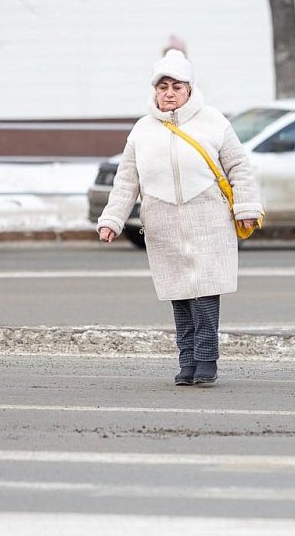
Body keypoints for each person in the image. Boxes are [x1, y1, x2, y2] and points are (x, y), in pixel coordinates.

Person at [97, 49, 263, 386]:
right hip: (163, 222)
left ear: (189, 89)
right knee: (180, 295)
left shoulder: (214, 122)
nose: (169, 93)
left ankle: (206, 360)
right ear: (154, 91)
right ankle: (186, 361)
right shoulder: (142, 131)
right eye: (163, 87)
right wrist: (112, 219)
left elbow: (239, 167)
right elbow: (127, 180)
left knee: (204, 292)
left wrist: (246, 207)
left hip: (207, 219)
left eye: (176, 86)